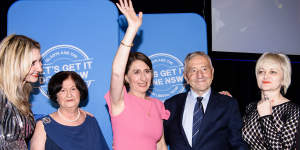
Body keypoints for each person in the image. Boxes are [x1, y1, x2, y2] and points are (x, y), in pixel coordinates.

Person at [104, 0, 170, 149]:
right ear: (126, 77)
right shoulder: (120, 100)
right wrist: (132, 30)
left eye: (147, 71)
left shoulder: (157, 105)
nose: (143, 77)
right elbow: (116, 72)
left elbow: (161, 145)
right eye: (136, 72)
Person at [164, 51, 248, 150]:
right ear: (186, 76)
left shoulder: (228, 104)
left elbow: (237, 143)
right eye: (193, 70)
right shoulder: (171, 105)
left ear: (212, 73)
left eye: (204, 69)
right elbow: (158, 141)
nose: (200, 75)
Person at [30, 71, 109, 150]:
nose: (69, 95)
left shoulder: (90, 121)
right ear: (55, 95)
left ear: (80, 92)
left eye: (73, 89)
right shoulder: (43, 126)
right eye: (63, 90)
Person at [242, 52, 300, 149]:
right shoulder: (251, 107)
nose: (265, 76)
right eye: (261, 71)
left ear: (283, 78)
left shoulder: (293, 110)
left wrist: (266, 117)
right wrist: (225, 102)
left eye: (272, 72)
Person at [0, 34, 42, 150]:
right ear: (15, 62)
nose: (40, 68)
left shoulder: (19, 97)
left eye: (40, 61)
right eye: (33, 63)